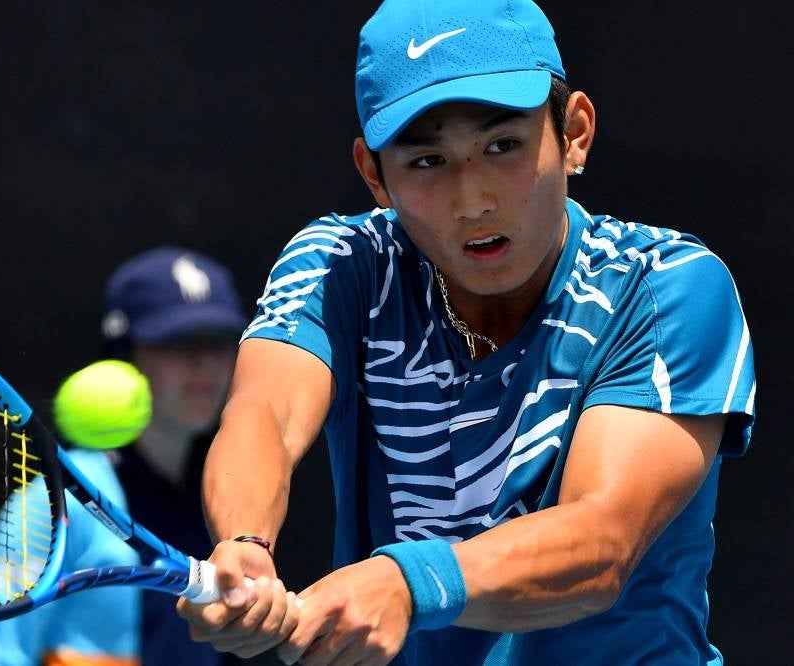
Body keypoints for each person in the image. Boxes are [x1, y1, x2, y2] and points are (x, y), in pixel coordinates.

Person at [177, 1, 757, 665]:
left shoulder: (664, 285)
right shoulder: (343, 263)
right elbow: (264, 413)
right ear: (374, 175)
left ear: (573, 133)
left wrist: (408, 583)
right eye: (427, 161)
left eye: (502, 146)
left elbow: (603, 543)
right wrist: (244, 545)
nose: (472, 199)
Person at [0, 246, 247, 666]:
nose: (203, 363)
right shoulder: (54, 506)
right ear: (125, 355)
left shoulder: (224, 502)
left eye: (218, 341)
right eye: (177, 342)